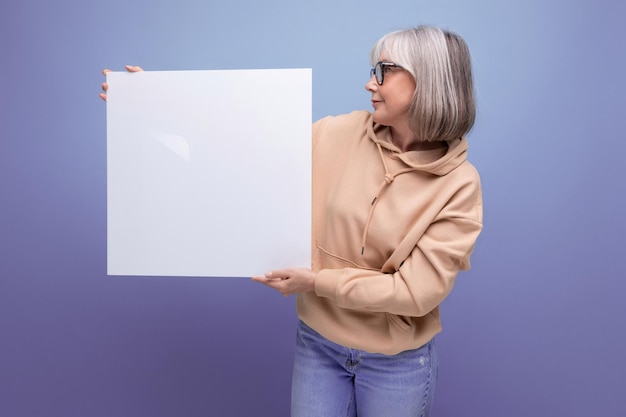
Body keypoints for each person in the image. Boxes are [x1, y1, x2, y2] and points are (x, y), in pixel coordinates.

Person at [101, 24, 482, 417]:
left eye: (383, 70)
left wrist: (316, 282)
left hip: (397, 362)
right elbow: (253, 146)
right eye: (372, 70)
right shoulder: (339, 132)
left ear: (428, 81)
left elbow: (416, 292)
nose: (370, 83)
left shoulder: (459, 185)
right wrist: (160, 103)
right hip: (319, 344)